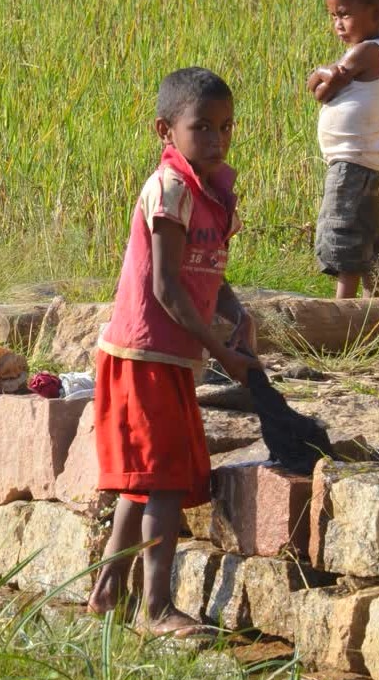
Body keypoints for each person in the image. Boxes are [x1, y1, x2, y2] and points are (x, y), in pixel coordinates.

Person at [87, 67, 261, 635]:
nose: (216, 139)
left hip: (170, 356)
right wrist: (223, 354)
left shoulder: (211, 192)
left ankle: (108, 590)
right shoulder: (169, 189)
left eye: (225, 127)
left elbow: (207, 271)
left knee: (146, 478)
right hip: (144, 353)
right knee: (160, 481)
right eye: (202, 127)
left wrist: (238, 314)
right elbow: (166, 287)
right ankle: (156, 607)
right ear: (166, 130)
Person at [307, 0, 379, 298]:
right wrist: (326, 75)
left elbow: (322, 89)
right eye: (333, 16)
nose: (337, 24)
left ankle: (342, 314)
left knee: (345, 237)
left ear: (376, 13)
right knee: (368, 237)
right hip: (367, 164)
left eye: (344, 14)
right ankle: (375, 310)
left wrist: (320, 72)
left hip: (350, 166)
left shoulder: (366, 51)